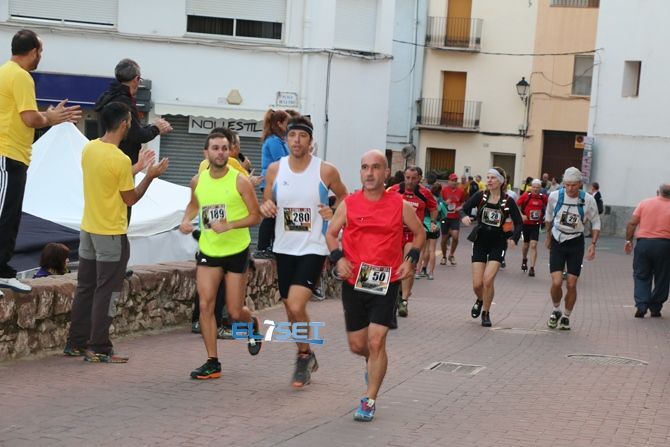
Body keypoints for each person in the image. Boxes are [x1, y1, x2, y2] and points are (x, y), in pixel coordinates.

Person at [64, 102, 168, 362]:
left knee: (86, 287)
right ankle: (99, 346)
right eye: (130, 121)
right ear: (124, 124)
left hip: (88, 229)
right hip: (111, 233)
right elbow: (130, 198)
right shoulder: (120, 158)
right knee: (107, 290)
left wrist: (136, 168)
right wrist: (150, 176)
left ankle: (75, 343)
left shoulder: (90, 148)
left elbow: (109, 178)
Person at [326, 150, 424, 421]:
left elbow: (419, 233)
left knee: (377, 340)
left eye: (375, 167)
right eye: (365, 167)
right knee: (358, 345)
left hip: (386, 280)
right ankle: (372, 363)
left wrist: (411, 260)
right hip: (354, 280)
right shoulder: (349, 204)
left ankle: (369, 399)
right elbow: (331, 234)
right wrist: (338, 258)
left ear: (386, 173)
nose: (369, 173)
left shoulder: (399, 204)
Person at [260, 115, 347, 388]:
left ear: (311, 141)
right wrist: (266, 206)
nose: (297, 140)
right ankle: (305, 354)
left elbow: (345, 197)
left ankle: (303, 356)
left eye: (302, 136)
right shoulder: (276, 169)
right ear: (286, 139)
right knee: (290, 309)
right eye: (292, 135)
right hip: (284, 247)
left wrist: (334, 212)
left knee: (297, 305)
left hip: (313, 247)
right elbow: (267, 199)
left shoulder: (325, 170)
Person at [0, 29, 81, 294]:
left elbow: (26, 115)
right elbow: (30, 118)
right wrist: (51, 118)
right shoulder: (20, 76)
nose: (41, 57)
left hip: (14, 155)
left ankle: (3, 271)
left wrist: (46, 116)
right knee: (5, 216)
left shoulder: (7, 73)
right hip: (8, 154)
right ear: (34, 51)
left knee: (10, 216)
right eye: (41, 51)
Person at [179, 131, 262, 379]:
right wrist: (186, 220)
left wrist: (230, 225)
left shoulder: (240, 181)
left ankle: (251, 323)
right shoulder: (197, 181)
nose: (220, 153)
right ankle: (212, 362)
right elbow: (194, 204)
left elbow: (256, 216)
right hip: (209, 250)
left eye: (224, 148)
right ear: (206, 153)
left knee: (235, 312)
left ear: (230, 152)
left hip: (236, 250)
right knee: (206, 305)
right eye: (215, 148)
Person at [461, 167, 522, 327]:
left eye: (493, 178)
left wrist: (514, 238)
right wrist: (465, 217)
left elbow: (519, 222)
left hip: (498, 242)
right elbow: (464, 209)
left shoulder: (508, 201)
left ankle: (486, 313)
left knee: (488, 280)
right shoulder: (480, 196)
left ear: (500, 181)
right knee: (477, 284)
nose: (489, 180)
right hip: (480, 240)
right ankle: (481, 299)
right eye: (487, 177)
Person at [544, 167, 601, 331]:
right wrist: (548, 236)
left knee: (571, 283)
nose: (570, 188)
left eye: (573, 185)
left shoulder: (588, 200)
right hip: (558, 240)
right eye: (567, 185)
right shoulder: (555, 196)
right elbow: (548, 216)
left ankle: (566, 316)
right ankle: (556, 310)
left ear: (580, 184)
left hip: (576, 242)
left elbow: (596, 222)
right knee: (556, 282)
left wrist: (593, 244)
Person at [94, 58, 172, 165]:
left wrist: (152, 127)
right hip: (121, 161)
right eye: (140, 80)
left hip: (105, 157)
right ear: (136, 79)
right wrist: (156, 128)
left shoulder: (107, 97)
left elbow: (133, 130)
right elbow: (136, 135)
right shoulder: (124, 103)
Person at [387, 166, 437, 318]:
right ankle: (395, 293)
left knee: (408, 263)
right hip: (395, 233)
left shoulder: (425, 193)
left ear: (419, 178)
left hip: (413, 234)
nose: (410, 181)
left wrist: (433, 222)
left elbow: (433, 208)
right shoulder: (394, 190)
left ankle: (404, 300)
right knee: (393, 265)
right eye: (407, 177)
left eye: (413, 178)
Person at [625, 184, 670, 318]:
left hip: (644, 244)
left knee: (641, 275)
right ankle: (655, 307)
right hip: (665, 245)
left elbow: (632, 223)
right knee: (663, 277)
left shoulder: (644, 203)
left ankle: (641, 305)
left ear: (658, 192)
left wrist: (628, 241)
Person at [255, 109, 291, 258]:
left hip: (279, 182)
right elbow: (281, 161)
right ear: (280, 124)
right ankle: (262, 247)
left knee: (276, 215)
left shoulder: (279, 140)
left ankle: (272, 246)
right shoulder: (274, 141)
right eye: (288, 123)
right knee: (271, 214)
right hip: (272, 182)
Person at [516, 179, 547, 277]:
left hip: (536, 225)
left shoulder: (543, 197)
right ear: (531, 187)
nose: (535, 189)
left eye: (537, 187)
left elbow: (550, 207)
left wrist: (546, 217)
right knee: (526, 245)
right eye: (534, 187)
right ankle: (524, 259)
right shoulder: (526, 195)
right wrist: (521, 215)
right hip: (526, 224)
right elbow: (516, 205)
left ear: (540, 188)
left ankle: (532, 268)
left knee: (533, 245)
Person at [416, 183, 446, 280]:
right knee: (432, 250)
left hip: (424, 225)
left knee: (422, 250)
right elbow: (445, 213)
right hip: (435, 226)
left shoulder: (426, 198)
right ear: (440, 191)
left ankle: (418, 271)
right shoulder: (440, 201)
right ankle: (431, 273)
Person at [440, 173, 466, 266]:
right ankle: (444, 257)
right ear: (448, 181)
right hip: (445, 217)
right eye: (452, 180)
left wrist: (460, 207)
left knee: (455, 236)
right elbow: (439, 202)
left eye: (455, 181)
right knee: (444, 239)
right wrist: (444, 202)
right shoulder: (443, 190)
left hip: (455, 217)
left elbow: (463, 202)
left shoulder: (461, 191)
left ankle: (451, 255)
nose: (454, 182)